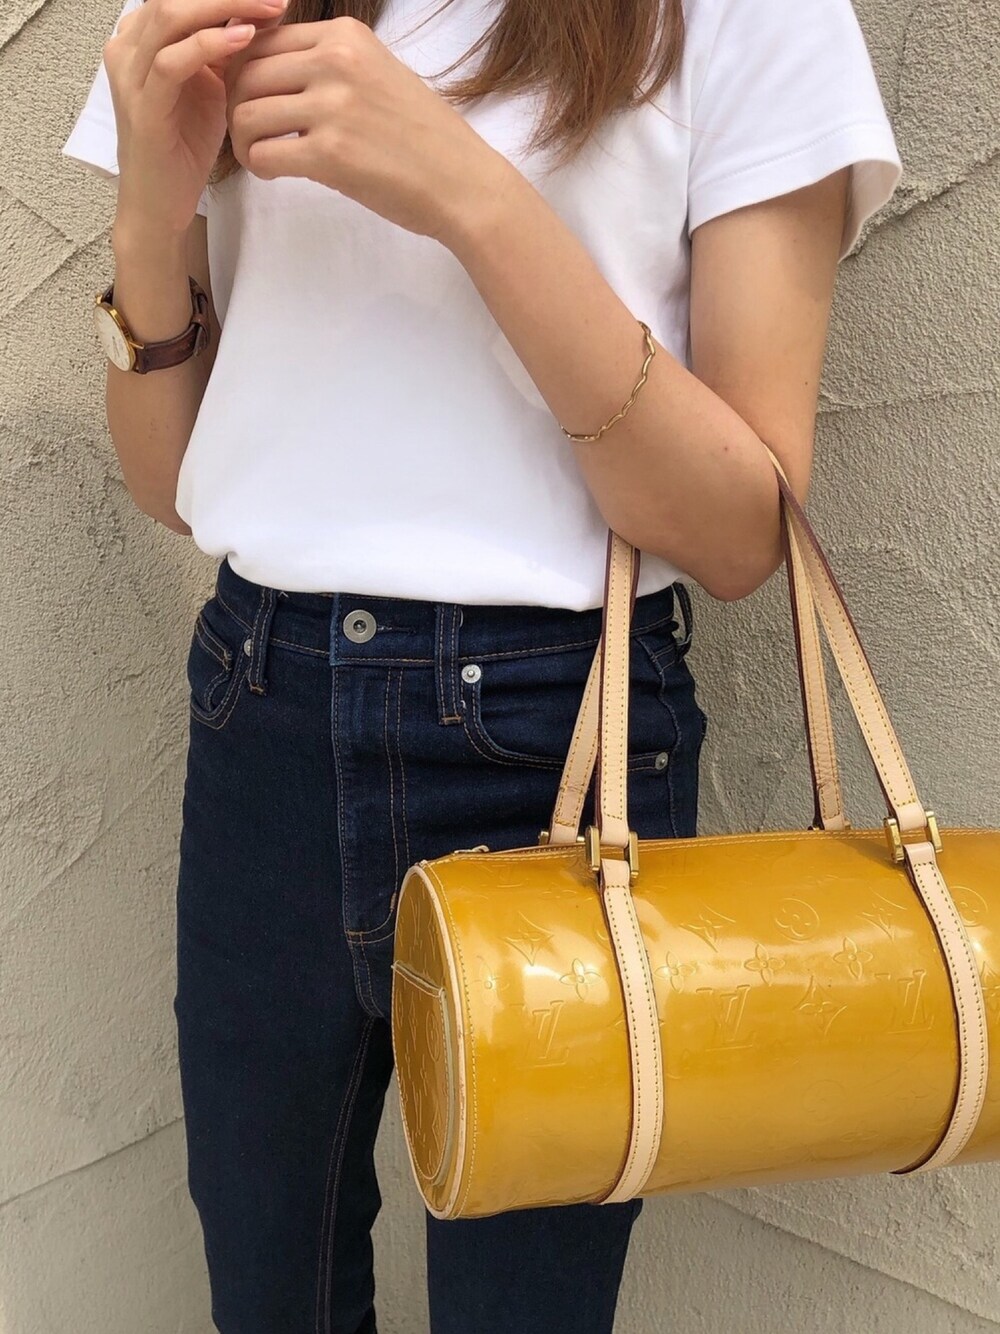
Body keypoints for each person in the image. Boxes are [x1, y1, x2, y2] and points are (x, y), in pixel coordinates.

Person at [61, 0, 902, 1328]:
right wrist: (149, 220)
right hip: (264, 706)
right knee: (267, 1293)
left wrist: (470, 195)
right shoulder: (233, 12)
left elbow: (744, 534)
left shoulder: (747, 17)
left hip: (561, 743)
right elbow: (172, 480)